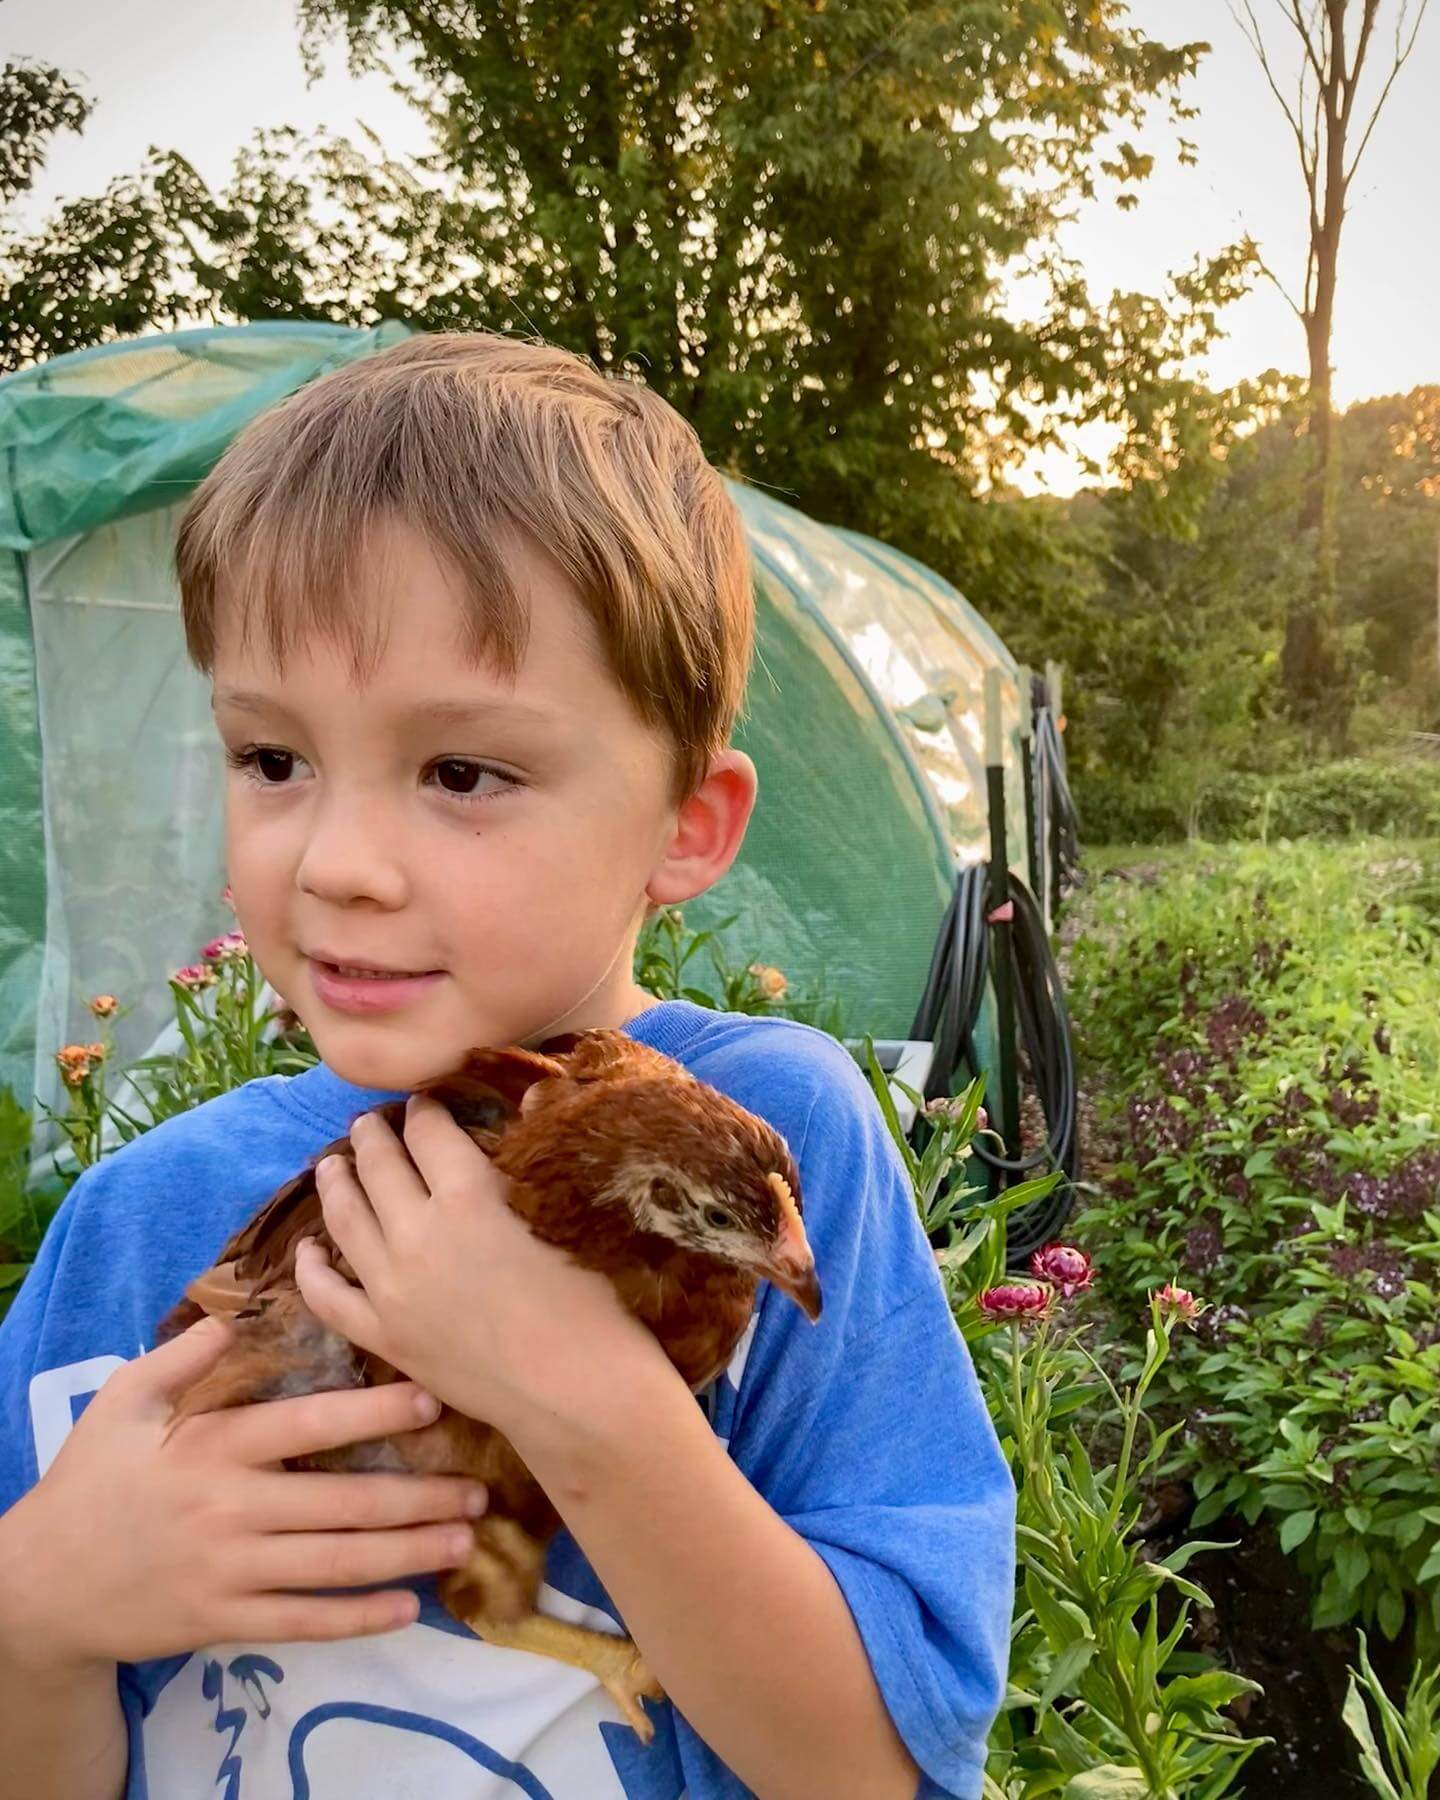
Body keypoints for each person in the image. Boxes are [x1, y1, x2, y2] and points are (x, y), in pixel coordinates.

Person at [0, 332, 1014, 1800]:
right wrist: (37, 1620)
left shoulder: (770, 1140)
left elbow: (874, 1769)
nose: (338, 864)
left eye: (463, 773)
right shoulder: (133, 1219)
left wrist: (587, 1402)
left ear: (687, 824)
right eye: (272, 759)